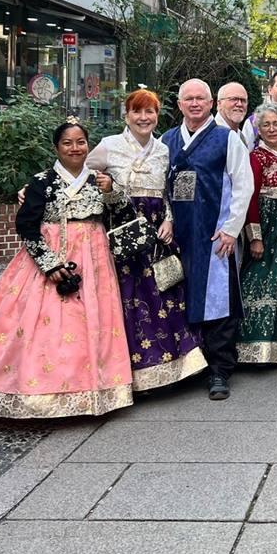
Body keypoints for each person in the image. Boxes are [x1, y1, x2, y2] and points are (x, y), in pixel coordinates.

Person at [0, 119, 133, 418]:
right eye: (67, 143)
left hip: (94, 265)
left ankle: (93, 389)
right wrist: (48, 264)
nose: (75, 148)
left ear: (88, 145)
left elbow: (123, 214)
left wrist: (114, 192)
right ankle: (36, 391)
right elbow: (26, 226)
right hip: (50, 259)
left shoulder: (100, 180)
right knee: (42, 324)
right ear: (57, 148)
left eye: (81, 142)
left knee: (92, 323)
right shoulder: (41, 182)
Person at [86, 89, 206, 391]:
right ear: (126, 115)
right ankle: (130, 375)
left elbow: (172, 191)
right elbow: (77, 172)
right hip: (123, 230)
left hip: (157, 231)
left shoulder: (165, 147)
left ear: (157, 114)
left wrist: (170, 219)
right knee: (128, 301)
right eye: (137, 112)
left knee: (164, 295)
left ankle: (172, 371)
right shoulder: (108, 147)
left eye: (149, 112)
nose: (143, 118)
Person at [161, 79, 253, 401]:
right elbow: (159, 187)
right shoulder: (167, 139)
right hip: (176, 235)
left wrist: (231, 229)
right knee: (178, 298)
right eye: (189, 98)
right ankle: (186, 366)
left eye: (201, 98)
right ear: (180, 104)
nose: (195, 103)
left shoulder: (226, 139)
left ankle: (219, 370)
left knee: (219, 302)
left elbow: (244, 186)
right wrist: (166, 219)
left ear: (212, 103)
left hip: (213, 235)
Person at [237, 102, 277, 364]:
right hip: (267, 224)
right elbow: (249, 199)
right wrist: (256, 237)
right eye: (266, 125)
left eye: (276, 124)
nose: (272, 129)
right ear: (258, 129)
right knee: (260, 277)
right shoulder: (255, 157)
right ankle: (253, 345)